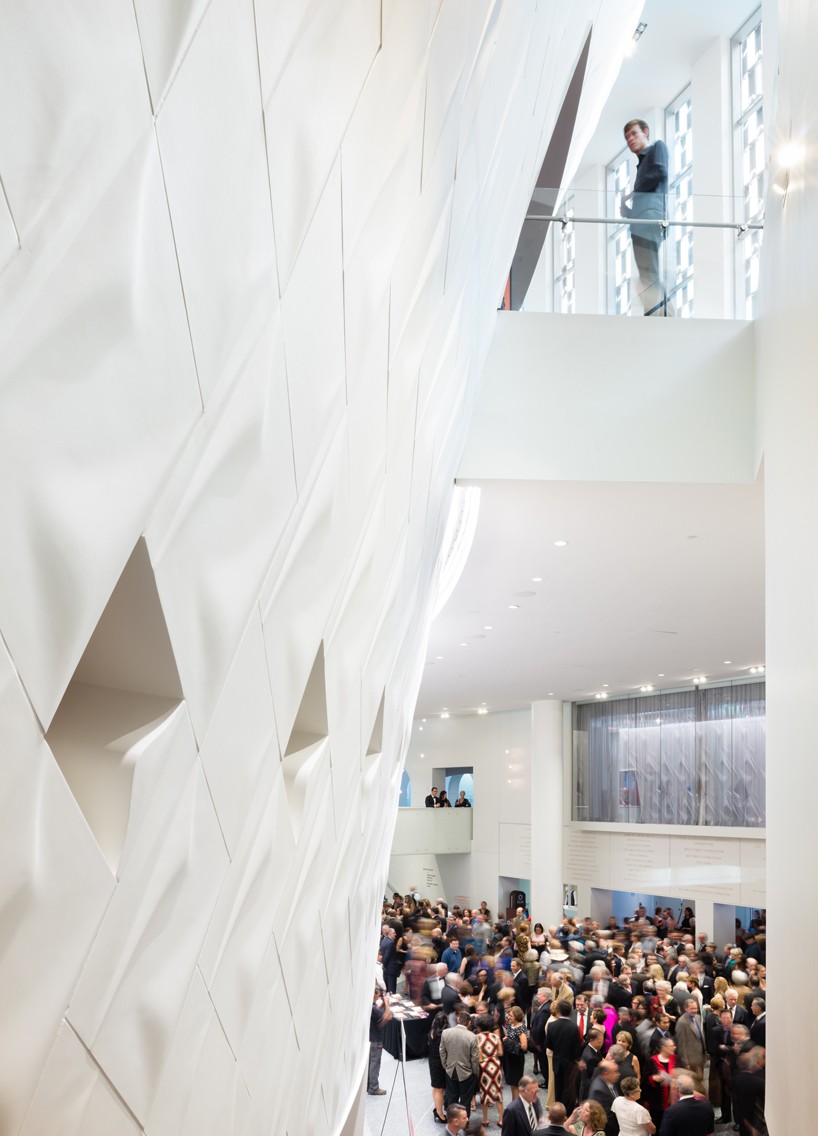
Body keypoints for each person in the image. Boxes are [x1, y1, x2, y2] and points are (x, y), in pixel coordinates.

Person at [619, 118, 672, 317]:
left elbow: (660, 172)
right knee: (646, 274)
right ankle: (659, 314)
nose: (630, 139)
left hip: (650, 218)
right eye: (627, 138)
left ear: (645, 132)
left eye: (633, 133)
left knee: (650, 272)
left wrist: (633, 193)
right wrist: (628, 212)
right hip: (640, 222)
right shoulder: (640, 167)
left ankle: (661, 316)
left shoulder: (657, 148)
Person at [439, 1011, 480, 1116]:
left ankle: (452, 1123)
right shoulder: (472, 1037)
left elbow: (442, 1051)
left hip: (450, 1070)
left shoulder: (445, 1033)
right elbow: (474, 1058)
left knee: (452, 1098)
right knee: (466, 1100)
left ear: (458, 1020)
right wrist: (475, 1072)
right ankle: (464, 1125)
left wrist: (446, 1066)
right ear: (469, 1023)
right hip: (467, 1073)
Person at [476, 1014, 505, 1129]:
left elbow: (479, 1057)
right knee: (498, 1092)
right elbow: (501, 1053)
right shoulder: (496, 1037)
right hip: (496, 1066)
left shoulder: (477, 1037)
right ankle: (501, 1119)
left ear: (479, 1027)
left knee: (484, 1092)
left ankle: (485, 1119)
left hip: (484, 1067)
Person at [368, 986, 392, 1095]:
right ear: (374, 995)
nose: (379, 997)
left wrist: (382, 1003)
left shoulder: (370, 1006)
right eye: (378, 995)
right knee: (375, 1064)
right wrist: (387, 1003)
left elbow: (377, 1012)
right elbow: (387, 1017)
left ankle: (369, 1085)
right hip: (376, 1040)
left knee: (370, 1063)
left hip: (370, 1038)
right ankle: (374, 1088)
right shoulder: (373, 1009)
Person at [503, 1005, 529, 1099]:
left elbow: (524, 1046)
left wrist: (509, 1041)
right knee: (511, 1083)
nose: (508, 1017)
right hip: (509, 1056)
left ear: (517, 1016)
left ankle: (515, 1105)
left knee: (515, 1083)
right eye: (508, 1015)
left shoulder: (521, 1028)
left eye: (511, 1016)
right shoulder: (510, 1025)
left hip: (516, 1059)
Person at [429, 1011, 451, 1123]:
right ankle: (439, 1113)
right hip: (440, 1063)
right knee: (440, 1089)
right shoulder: (444, 1035)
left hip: (433, 1061)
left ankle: (437, 1108)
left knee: (435, 1087)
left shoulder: (432, 1032)